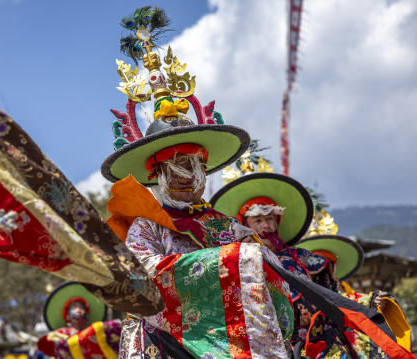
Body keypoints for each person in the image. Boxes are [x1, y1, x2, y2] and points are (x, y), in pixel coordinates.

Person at [101, 6, 294, 358]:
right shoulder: (145, 226)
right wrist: (229, 262)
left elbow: (266, 266)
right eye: (177, 164)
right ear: (157, 173)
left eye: (195, 164)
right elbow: (142, 276)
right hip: (164, 342)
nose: (189, 174)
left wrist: (254, 260)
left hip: (233, 337)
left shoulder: (225, 226)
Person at [211, 171, 413, 358]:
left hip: (314, 342)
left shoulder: (303, 259)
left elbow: (333, 295)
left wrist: (367, 301)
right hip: (260, 346)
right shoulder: (236, 264)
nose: (265, 225)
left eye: (270, 219)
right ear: (245, 226)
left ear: (277, 222)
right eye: (257, 220)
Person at [296, 234, 413, 356]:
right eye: (314, 263)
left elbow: (353, 302)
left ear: (334, 266)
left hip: (339, 342)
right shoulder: (297, 291)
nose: (321, 267)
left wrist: (374, 301)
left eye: (328, 263)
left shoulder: (344, 291)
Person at [37, 281, 121, 359]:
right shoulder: (62, 333)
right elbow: (47, 345)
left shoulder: (97, 332)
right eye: (74, 308)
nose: (78, 310)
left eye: (81, 308)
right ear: (67, 317)